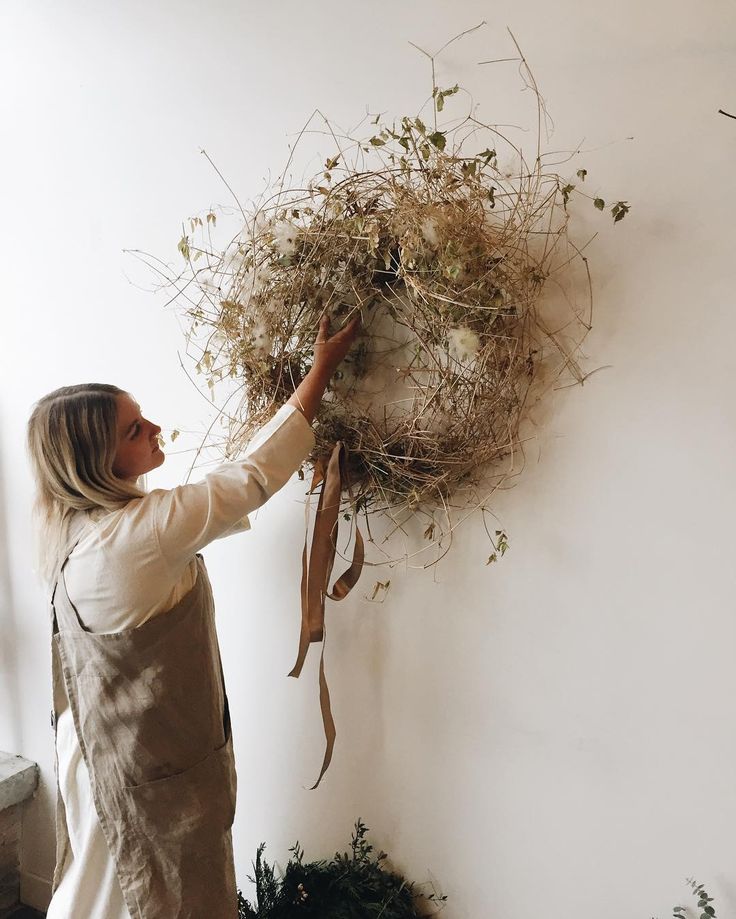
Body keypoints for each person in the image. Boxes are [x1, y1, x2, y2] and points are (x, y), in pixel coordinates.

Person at [26, 315, 359, 919]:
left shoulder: (68, 528)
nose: (155, 428)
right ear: (99, 460)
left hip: (94, 751)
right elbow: (251, 479)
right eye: (134, 429)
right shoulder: (142, 534)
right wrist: (320, 372)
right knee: (156, 895)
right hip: (146, 768)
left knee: (101, 891)